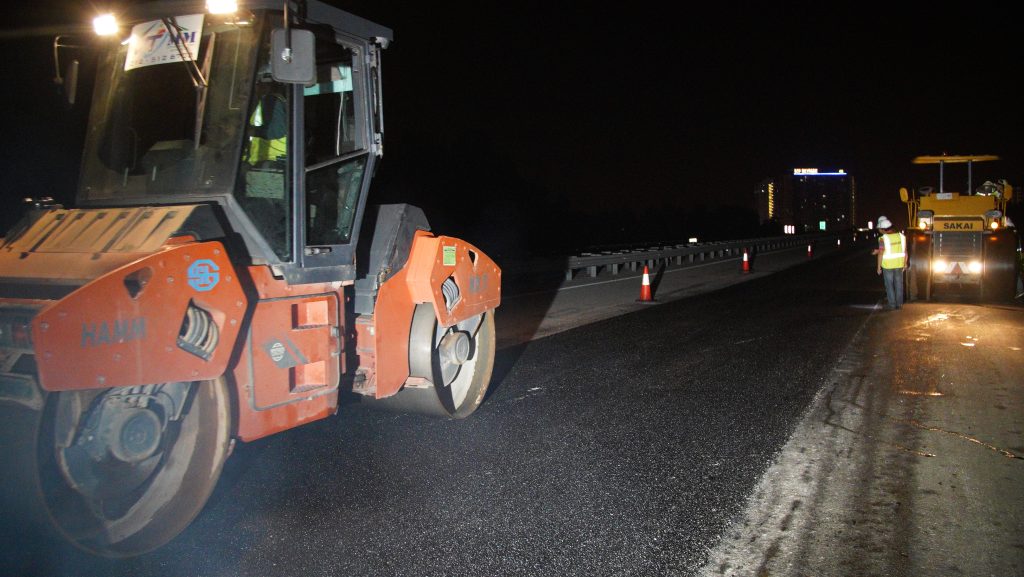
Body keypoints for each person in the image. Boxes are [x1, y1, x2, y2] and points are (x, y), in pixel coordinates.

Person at [873, 216, 907, 310]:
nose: (879, 231)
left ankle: (892, 304)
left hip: (888, 266)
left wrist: (878, 267)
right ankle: (899, 304)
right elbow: (905, 251)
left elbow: (881, 253)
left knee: (889, 285)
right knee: (899, 284)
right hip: (899, 264)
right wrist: (905, 263)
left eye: (880, 229)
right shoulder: (901, 236)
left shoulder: (882, 239)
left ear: (883, 229)